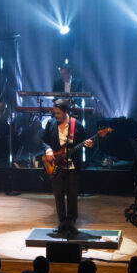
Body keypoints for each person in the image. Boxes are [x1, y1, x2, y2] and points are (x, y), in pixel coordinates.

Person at [40, 99, 94, 235]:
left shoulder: (77, 125)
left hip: (72, 167)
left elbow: (87, 143)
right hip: (56, 166)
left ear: (65, 111)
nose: (56, 115)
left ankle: (71, 223)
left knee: (72, 196)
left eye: (58, 113)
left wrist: (89, 145)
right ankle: (62, 223)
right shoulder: (51, 123)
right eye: (54, 112)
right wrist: (48, 150)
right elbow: (43, 140)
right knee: (58, 195)